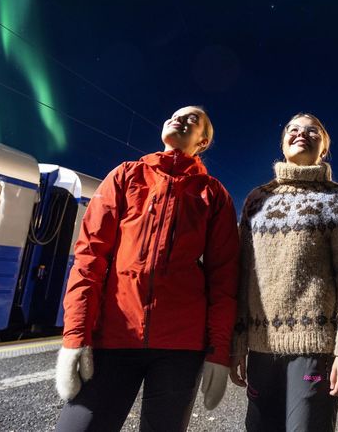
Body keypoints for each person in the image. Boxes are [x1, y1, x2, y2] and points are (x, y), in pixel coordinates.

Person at [55, 106, 239, 432]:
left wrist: (218, 353)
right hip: (113, 337)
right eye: (175, 115)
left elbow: (223, 281)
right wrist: (75, 337)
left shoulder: (214, 195)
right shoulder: (126, 176)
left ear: (204, 141)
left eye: (192, 119)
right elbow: (88, 261)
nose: (180, 120)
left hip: (180, 349)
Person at [230, 113, 338, 432]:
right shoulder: (257, 201)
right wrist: (236, 344)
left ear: (324, 147)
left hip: (315, 349)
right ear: (282, 142)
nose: (301, 134)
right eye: (293, 129)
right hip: (261, 349)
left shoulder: (336, 199)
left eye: (312, 131)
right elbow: (241, 276)